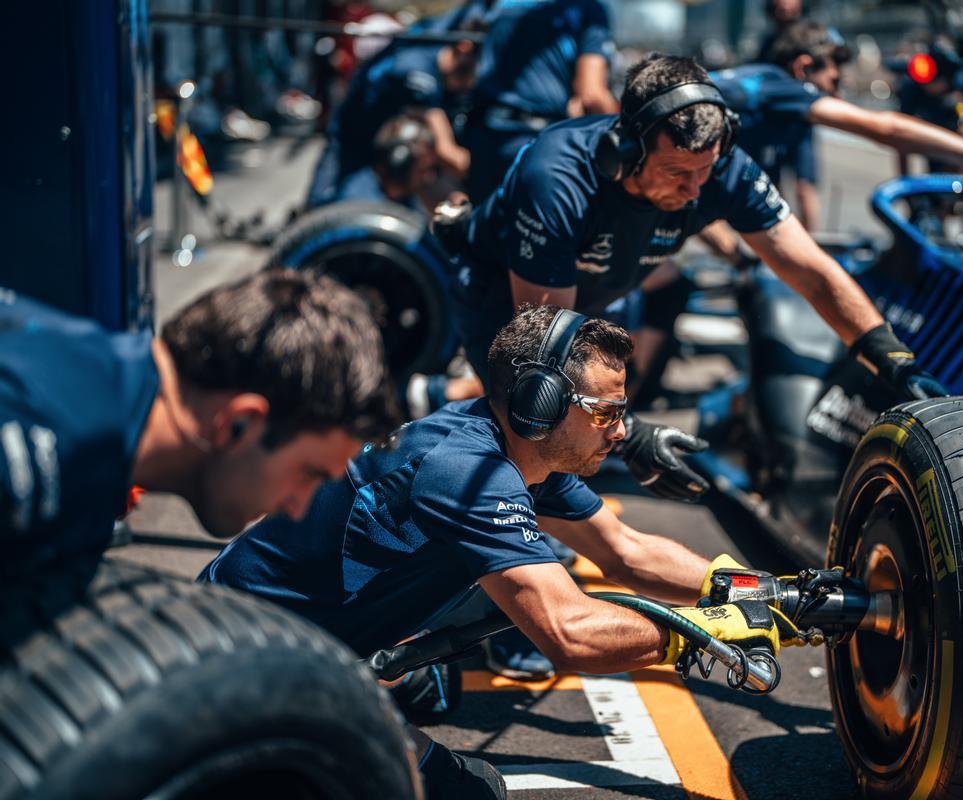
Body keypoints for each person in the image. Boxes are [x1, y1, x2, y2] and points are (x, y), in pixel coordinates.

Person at [199, 304, 797, 800]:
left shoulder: (527, 452)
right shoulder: (465, 470)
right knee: (472, 792)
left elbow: (627, 553)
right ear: (540, 403)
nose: (620, 432)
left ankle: (379, 679)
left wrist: (769, 594)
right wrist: (706, 632)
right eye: (607, 413)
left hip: (309, 631)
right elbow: (569, 631)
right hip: (239, 655)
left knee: (453, 652)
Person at [436, 54, 949, 505]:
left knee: (579, 434)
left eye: (706, 170)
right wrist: (628, 433)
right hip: (502, 297)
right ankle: (500, 540)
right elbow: (549, 345)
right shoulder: (557, 179)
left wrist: (892, 357)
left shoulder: (717, 168)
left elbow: (811, 271)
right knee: (533, 426)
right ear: (626, 153)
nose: (696, 188)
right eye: (678, 172)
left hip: (596, 285)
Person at [0, 268, 400, 579]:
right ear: (238, 424)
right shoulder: (41, 449)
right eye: (307, 474)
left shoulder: (99, 388)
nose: (298, 508)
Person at [712, 21, 963, 231]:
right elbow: (883, 128)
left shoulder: (756, 91)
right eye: (833, 82)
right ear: (803, 69)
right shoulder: (784, 87)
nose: (835, 96)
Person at [448, 0, 620, 201]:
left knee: (484, 227)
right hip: (536, 145)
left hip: (484, 138)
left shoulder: (503, 4)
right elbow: (591, 95)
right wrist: (625, 134)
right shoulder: (587, 8)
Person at [306, 35, 477, 209]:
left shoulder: (435, 66)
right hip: (352, 143)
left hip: (388, 157)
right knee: (324, 207)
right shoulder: (418, 72)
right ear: (465, 48)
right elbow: (448, 153)